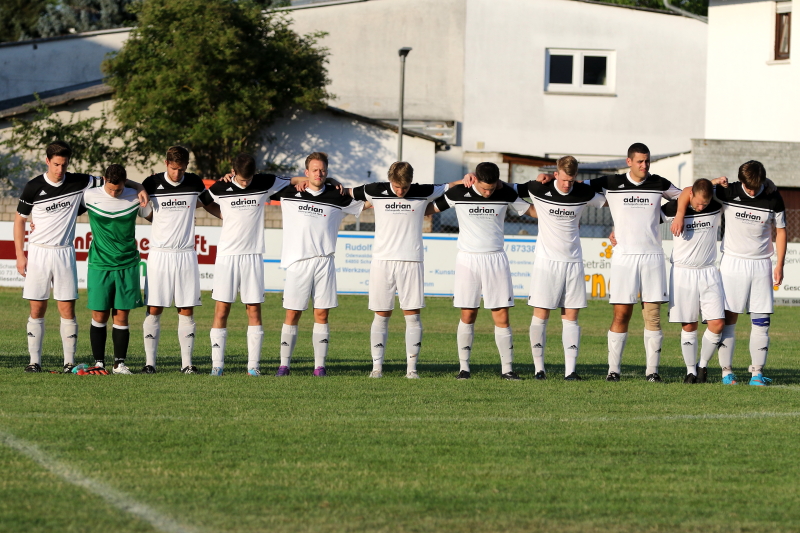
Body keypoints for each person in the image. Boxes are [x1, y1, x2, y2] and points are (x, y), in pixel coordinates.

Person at [14, 140, 147, 373]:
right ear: (47, 161)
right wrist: (20, 255)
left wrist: (139, 187)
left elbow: (112, 180)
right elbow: (19, 220)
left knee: (68, 310)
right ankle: (34, 361)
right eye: (56, 164)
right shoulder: (33, 186)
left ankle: (69, 362)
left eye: (64, 165)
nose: (60, 170)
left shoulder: (80, 182)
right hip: (37, 252)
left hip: (65, 252)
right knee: (37, 309)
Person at [671, 161, 786, 386]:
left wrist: (779, 264)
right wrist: (680, 213)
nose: (751, 191)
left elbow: (781, 231)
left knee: (762, 321)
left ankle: (757, 374)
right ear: (741, 181)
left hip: (762, 264)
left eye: (756, 187)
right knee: (728, 319)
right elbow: (691, 191)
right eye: (748, 187)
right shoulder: (728, 191)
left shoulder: (773, 197)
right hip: (733, 263)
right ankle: (727, 372)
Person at [350, 162, 466, 379]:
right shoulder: (374, 190)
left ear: (411, 181)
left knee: (412, 316)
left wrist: (466, 179)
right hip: (382, 261)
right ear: (390, 180)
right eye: (396, 187)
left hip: (412, 261)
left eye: (404, 187)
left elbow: (450, 187)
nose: (400, 191)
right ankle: (376, 368)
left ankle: (411, 370)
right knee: (381, 315)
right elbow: (344, 193)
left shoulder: (423, 191)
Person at [586, 143, 681, 382]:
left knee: (653, 316)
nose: (644, 165)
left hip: (652, 257)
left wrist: (665, 216)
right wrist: (549, 180)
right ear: (629, 162)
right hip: (624, 258)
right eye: (640, 161)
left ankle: (652, 372)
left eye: (647, 161)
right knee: (621, 315)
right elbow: (575, 186)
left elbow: (686, 196)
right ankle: (613, 370)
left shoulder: (658, 182)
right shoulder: (611, 182)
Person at [206, 154, 306, 376]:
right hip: (227, 257)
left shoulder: (264, 181)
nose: (245, 183)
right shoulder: (221, 187)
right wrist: (223, 215)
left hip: (252, 256)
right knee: (221, 310)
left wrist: (312, 181)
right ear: (233, 171)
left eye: (249, 179)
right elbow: (203, 200)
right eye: (242, 180)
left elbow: (295, 180)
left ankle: (253, 366)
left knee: (253, 310)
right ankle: (217, 365)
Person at [430, 162, 531, 380]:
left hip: (496, 258)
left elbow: (532, 210)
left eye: (491, 189)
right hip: (468, 259)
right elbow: (429, 209)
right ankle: (464, 369)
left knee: (501, 315)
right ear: (475, 179)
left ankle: (507, 370)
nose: (488, 193)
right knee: (468, 314)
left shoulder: (505, 192)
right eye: (485, 189)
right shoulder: (459, 192)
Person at [271, 152, 364, 377]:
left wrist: (334, 182)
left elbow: (369, 203)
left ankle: (319, 367)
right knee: (292, 314)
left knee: (321, 314)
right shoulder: (290, 193)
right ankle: (284, 365)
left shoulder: (337, 196)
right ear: (307, 172)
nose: (319, 174)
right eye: (314, 170)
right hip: (298, 262)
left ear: (327, 172)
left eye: (323, 170)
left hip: (325, 262)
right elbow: (262, 182)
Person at [515, 156, 606, 381]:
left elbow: (610, 202)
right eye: (564, 179)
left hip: (573, 262)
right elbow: (507, 190)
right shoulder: (538, 188)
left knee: (571, 316)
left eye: (571, 180)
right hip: (546, 263)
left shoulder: (583, 192)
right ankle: (539, 370)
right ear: (556, 174)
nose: (567, 184)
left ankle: (570, 371)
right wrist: (530, 210)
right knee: (541, 314)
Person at [141, 146, 221, 374]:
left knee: (186, 308)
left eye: (182, 169)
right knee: (154, 308)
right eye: (174, 168)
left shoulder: (194, 182)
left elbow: (206, 202)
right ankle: (150, 364)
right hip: (159, 254)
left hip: (186, 254)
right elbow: (144, 210)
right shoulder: (151, 183)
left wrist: (231, 217)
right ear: (166, 163)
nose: (177, 174)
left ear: (187, 166)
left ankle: (187, 364)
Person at [83, 164, 152, 375]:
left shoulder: (135, 196)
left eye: (119, 189)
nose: (114, 193)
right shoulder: (89, 195)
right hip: (100, 264)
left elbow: (155, 218)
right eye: (111, 189)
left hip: (127, 264)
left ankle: (119, 364)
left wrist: (139, 187)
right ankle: (98, 363)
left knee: (122, 315)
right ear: (104, 180)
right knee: (99, 314)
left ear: (125, 183)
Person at [660, 178, 725, 384]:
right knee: (689, 325)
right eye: (698, 203)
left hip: (708, 271)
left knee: (717, 323)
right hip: (683, 272)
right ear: (690, 195)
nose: (701, 207)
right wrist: (617, 232)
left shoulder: (716, 204)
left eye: (705, 204)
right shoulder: (674, 208)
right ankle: (690, 371)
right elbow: (645, 221)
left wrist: (714, 182)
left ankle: (702, 365)